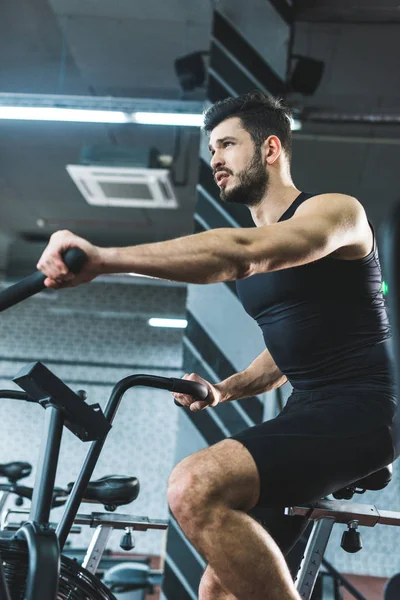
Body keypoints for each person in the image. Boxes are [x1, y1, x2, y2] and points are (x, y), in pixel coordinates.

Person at [37, 90, 397, 600]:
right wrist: (223, 391)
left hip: (366, 407)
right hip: (308, 409)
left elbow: (241, 255)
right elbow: (286, 355)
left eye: (227, 145)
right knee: (221, 589)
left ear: (271, 149)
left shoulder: (335, 213)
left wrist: (104, 258)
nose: (216, 162)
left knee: (194, 486)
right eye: (211, 151)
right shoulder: (260, 249)